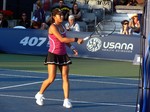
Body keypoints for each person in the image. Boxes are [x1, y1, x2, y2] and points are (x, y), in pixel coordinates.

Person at [35, 8, 83, 108]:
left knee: (65, 77)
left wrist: (72, 47)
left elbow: (65, 41)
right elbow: (61, 39)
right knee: (51, 78)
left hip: (63, 54)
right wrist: (76, 39)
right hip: (53, 54)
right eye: (59, 15)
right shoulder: (52, 27)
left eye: (62, 15)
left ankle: (66, 100)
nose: (61, 16)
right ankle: (39, 94)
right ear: (54, 17)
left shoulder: (62, 27)